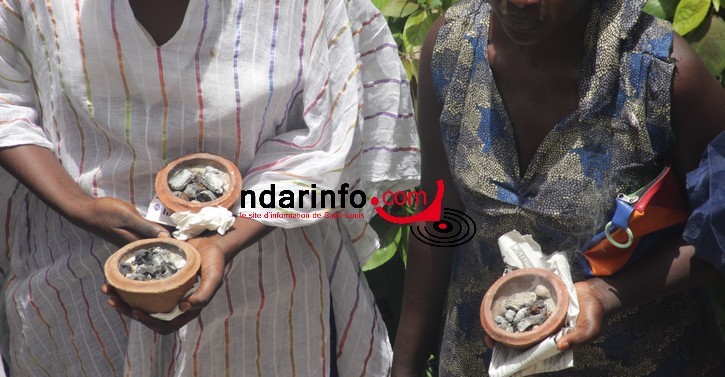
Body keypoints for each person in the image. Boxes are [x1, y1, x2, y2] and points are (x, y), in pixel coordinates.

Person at [0, 0, 419, 375]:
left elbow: (336, 139)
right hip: (78, 292)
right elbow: (6, 98)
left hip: (267, 293)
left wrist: (229, 238)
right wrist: (78, 206)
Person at [392, 0, 725, 376]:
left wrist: (608, 295)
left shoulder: (659, 73)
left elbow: (718, 229)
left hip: (638, 357)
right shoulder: (452, 50)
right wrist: (405, 366)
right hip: (483, 356)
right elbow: (439, 214)